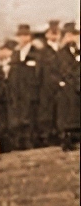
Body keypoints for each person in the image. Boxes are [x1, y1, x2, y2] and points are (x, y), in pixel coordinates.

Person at [7, 24, 41, 150]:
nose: (22, 38)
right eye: (20, 36)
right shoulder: (16, 53)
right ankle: (19, 143)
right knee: (19, 117)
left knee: (30, 117)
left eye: (25, 35)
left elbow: (38, 73)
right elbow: (12, 72)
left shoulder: (36, 52)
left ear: (30, 37)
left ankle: (30, 142)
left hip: (30, 90)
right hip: (17, 90)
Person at [37, 20, 62, 147]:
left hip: (61, 87)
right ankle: (48, 137)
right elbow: (39, 73)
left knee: (60, 111)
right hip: (47, 88)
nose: (54, 36)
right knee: (48, 112)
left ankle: (60, 135)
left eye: (56, 33)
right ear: (47, 35)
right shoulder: (42, 53)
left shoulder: (62, 51)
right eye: (52, 33)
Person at [56, 22, 80, 151]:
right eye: (70, 35)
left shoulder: (77, 51)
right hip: (67, 88)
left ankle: (74, 139)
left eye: (75, 35)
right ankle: (66, 141)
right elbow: (64, 70)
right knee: (67, 116)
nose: (73, 38)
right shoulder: (61, 53)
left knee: (75, 115)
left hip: (76, 86)